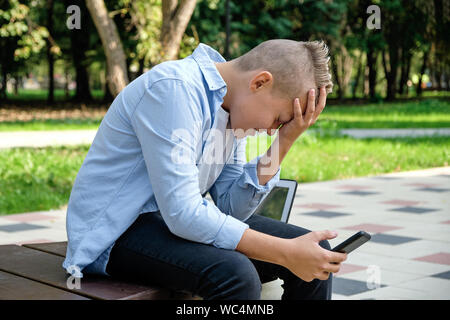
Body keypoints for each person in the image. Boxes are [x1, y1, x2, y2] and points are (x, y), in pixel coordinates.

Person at [62, 39, 347, 300]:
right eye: (277, 120)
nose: (270, 131)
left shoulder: (230, 109)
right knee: (235, 275)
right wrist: (285, 253)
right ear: (260, 82)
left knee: (318, 255)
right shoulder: (174, 89)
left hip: (169, 224)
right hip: (118, 233)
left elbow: (230, 209)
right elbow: (183, 215)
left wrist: (285, 141)